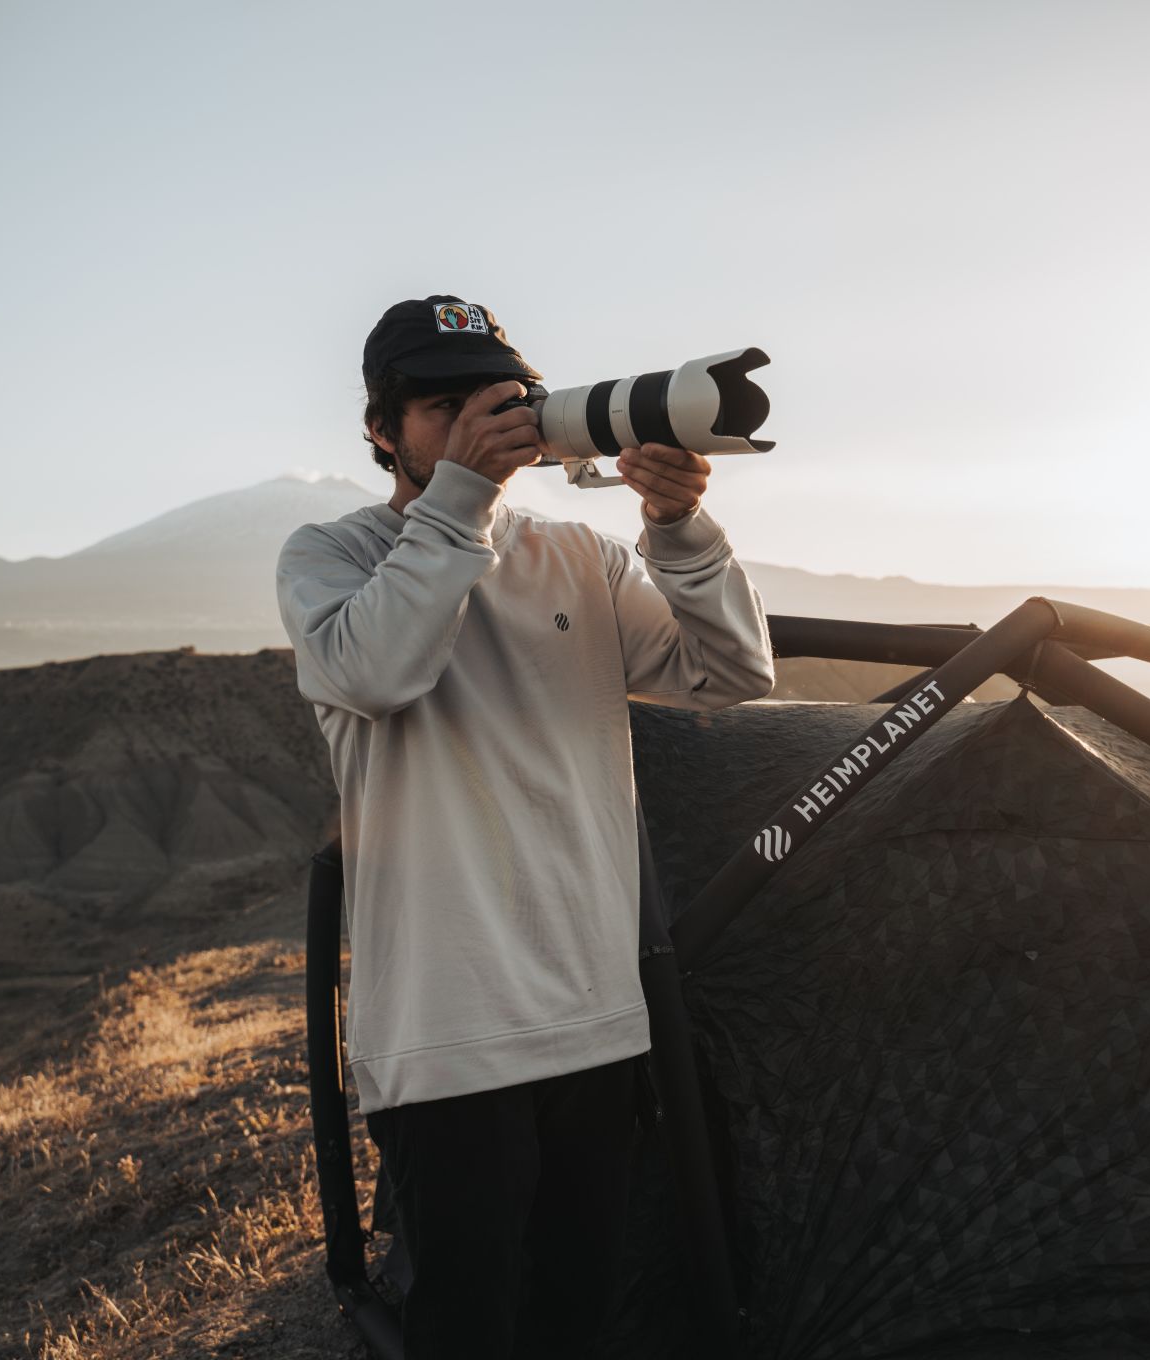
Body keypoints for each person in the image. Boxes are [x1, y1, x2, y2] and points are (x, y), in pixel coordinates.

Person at [275, 294, 775, 1357]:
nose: (477, 422)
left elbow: (731, 672)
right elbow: (375, 670)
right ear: (381, 428)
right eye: (441, 405)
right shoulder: (331, 555)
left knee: (574, 1325)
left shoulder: (576, 557)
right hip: (448, 1041)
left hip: (594, 1021)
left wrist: (678, 524)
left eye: (495, 397)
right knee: (466, 1331)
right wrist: (460, 497)